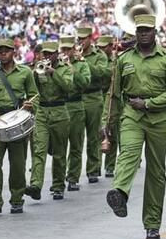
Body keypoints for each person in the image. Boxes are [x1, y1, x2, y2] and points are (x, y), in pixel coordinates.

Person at [105, 14, 166, 239]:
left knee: (156, 173)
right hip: (132, 114)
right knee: (128, 152)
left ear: (155, 32)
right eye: (140, 31)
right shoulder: (124, 59)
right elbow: (113, 94)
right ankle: (120, 192)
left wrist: (149, 103)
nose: (143, 34)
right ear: (135, 33)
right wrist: (105, 123)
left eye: (147, 30)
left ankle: (152, 224)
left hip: (158, 118)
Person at [0, 38, 39, 214]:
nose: (3, 53)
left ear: (14, 52)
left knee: (18, 163)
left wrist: (30, 105)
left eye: (7, 50)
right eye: (0, 50)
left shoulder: (25, 73)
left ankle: (17, 198)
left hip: (18, 121)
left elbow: (35, 95)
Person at [26, 42, 73, 201]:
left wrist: (53, 73)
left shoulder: (65, 68)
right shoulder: (38, 68)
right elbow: (33, 90)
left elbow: (68, 87)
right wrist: (34, 73)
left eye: (50, 54)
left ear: (56, 54)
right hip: (42, 112)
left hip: (60, 112)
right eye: (44, 53)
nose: (46, 57)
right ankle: (36, 185)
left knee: (59, 152)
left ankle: (58, 185)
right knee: (39, 149)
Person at [78, 26, 110, 184]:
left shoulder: (99, 55)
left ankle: (93, 169)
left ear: (90, 39)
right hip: (76, 97)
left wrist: (83, 62)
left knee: (93, 136)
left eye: (83, 39)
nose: (80, 42)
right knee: (76, 138)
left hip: (93, 96)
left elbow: (103, 73)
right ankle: (72, 175)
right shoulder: (71, 54)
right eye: (79, 39)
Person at [63, 35, 91, 191]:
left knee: (75, 144)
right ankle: (58, 181)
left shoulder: (82, 65)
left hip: (76, 105)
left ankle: (73, 177)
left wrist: (73, 69)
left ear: (74, 50)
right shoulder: (56, 65)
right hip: (60, 106)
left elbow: (85, 83)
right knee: (60, 147)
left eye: (69, 49)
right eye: (64, 50)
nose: (66, 53)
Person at [97, 35, 120, 177]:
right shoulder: (97, 59)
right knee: (100, 133)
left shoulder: (117, 59)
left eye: (103, 47)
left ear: (110, 46)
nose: (100, 49)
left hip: (114, 98)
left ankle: (110, 166)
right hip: (99, 97)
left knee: (113, 132)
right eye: (98, 47)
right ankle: (96, 165)